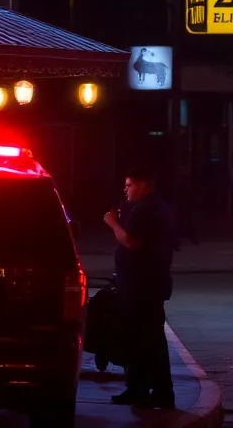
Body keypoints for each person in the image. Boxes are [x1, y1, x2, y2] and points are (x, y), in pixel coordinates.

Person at [104, 167, 176, 409]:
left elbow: (132, 241)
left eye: (129, 185)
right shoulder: (159, 208)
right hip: (149, 285)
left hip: (141, 287)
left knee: (142, 339)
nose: (125, 190)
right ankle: (148, 390)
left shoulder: (145, 210)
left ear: (143, 184)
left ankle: (147, 390)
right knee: (149, 339)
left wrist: (113, 223)